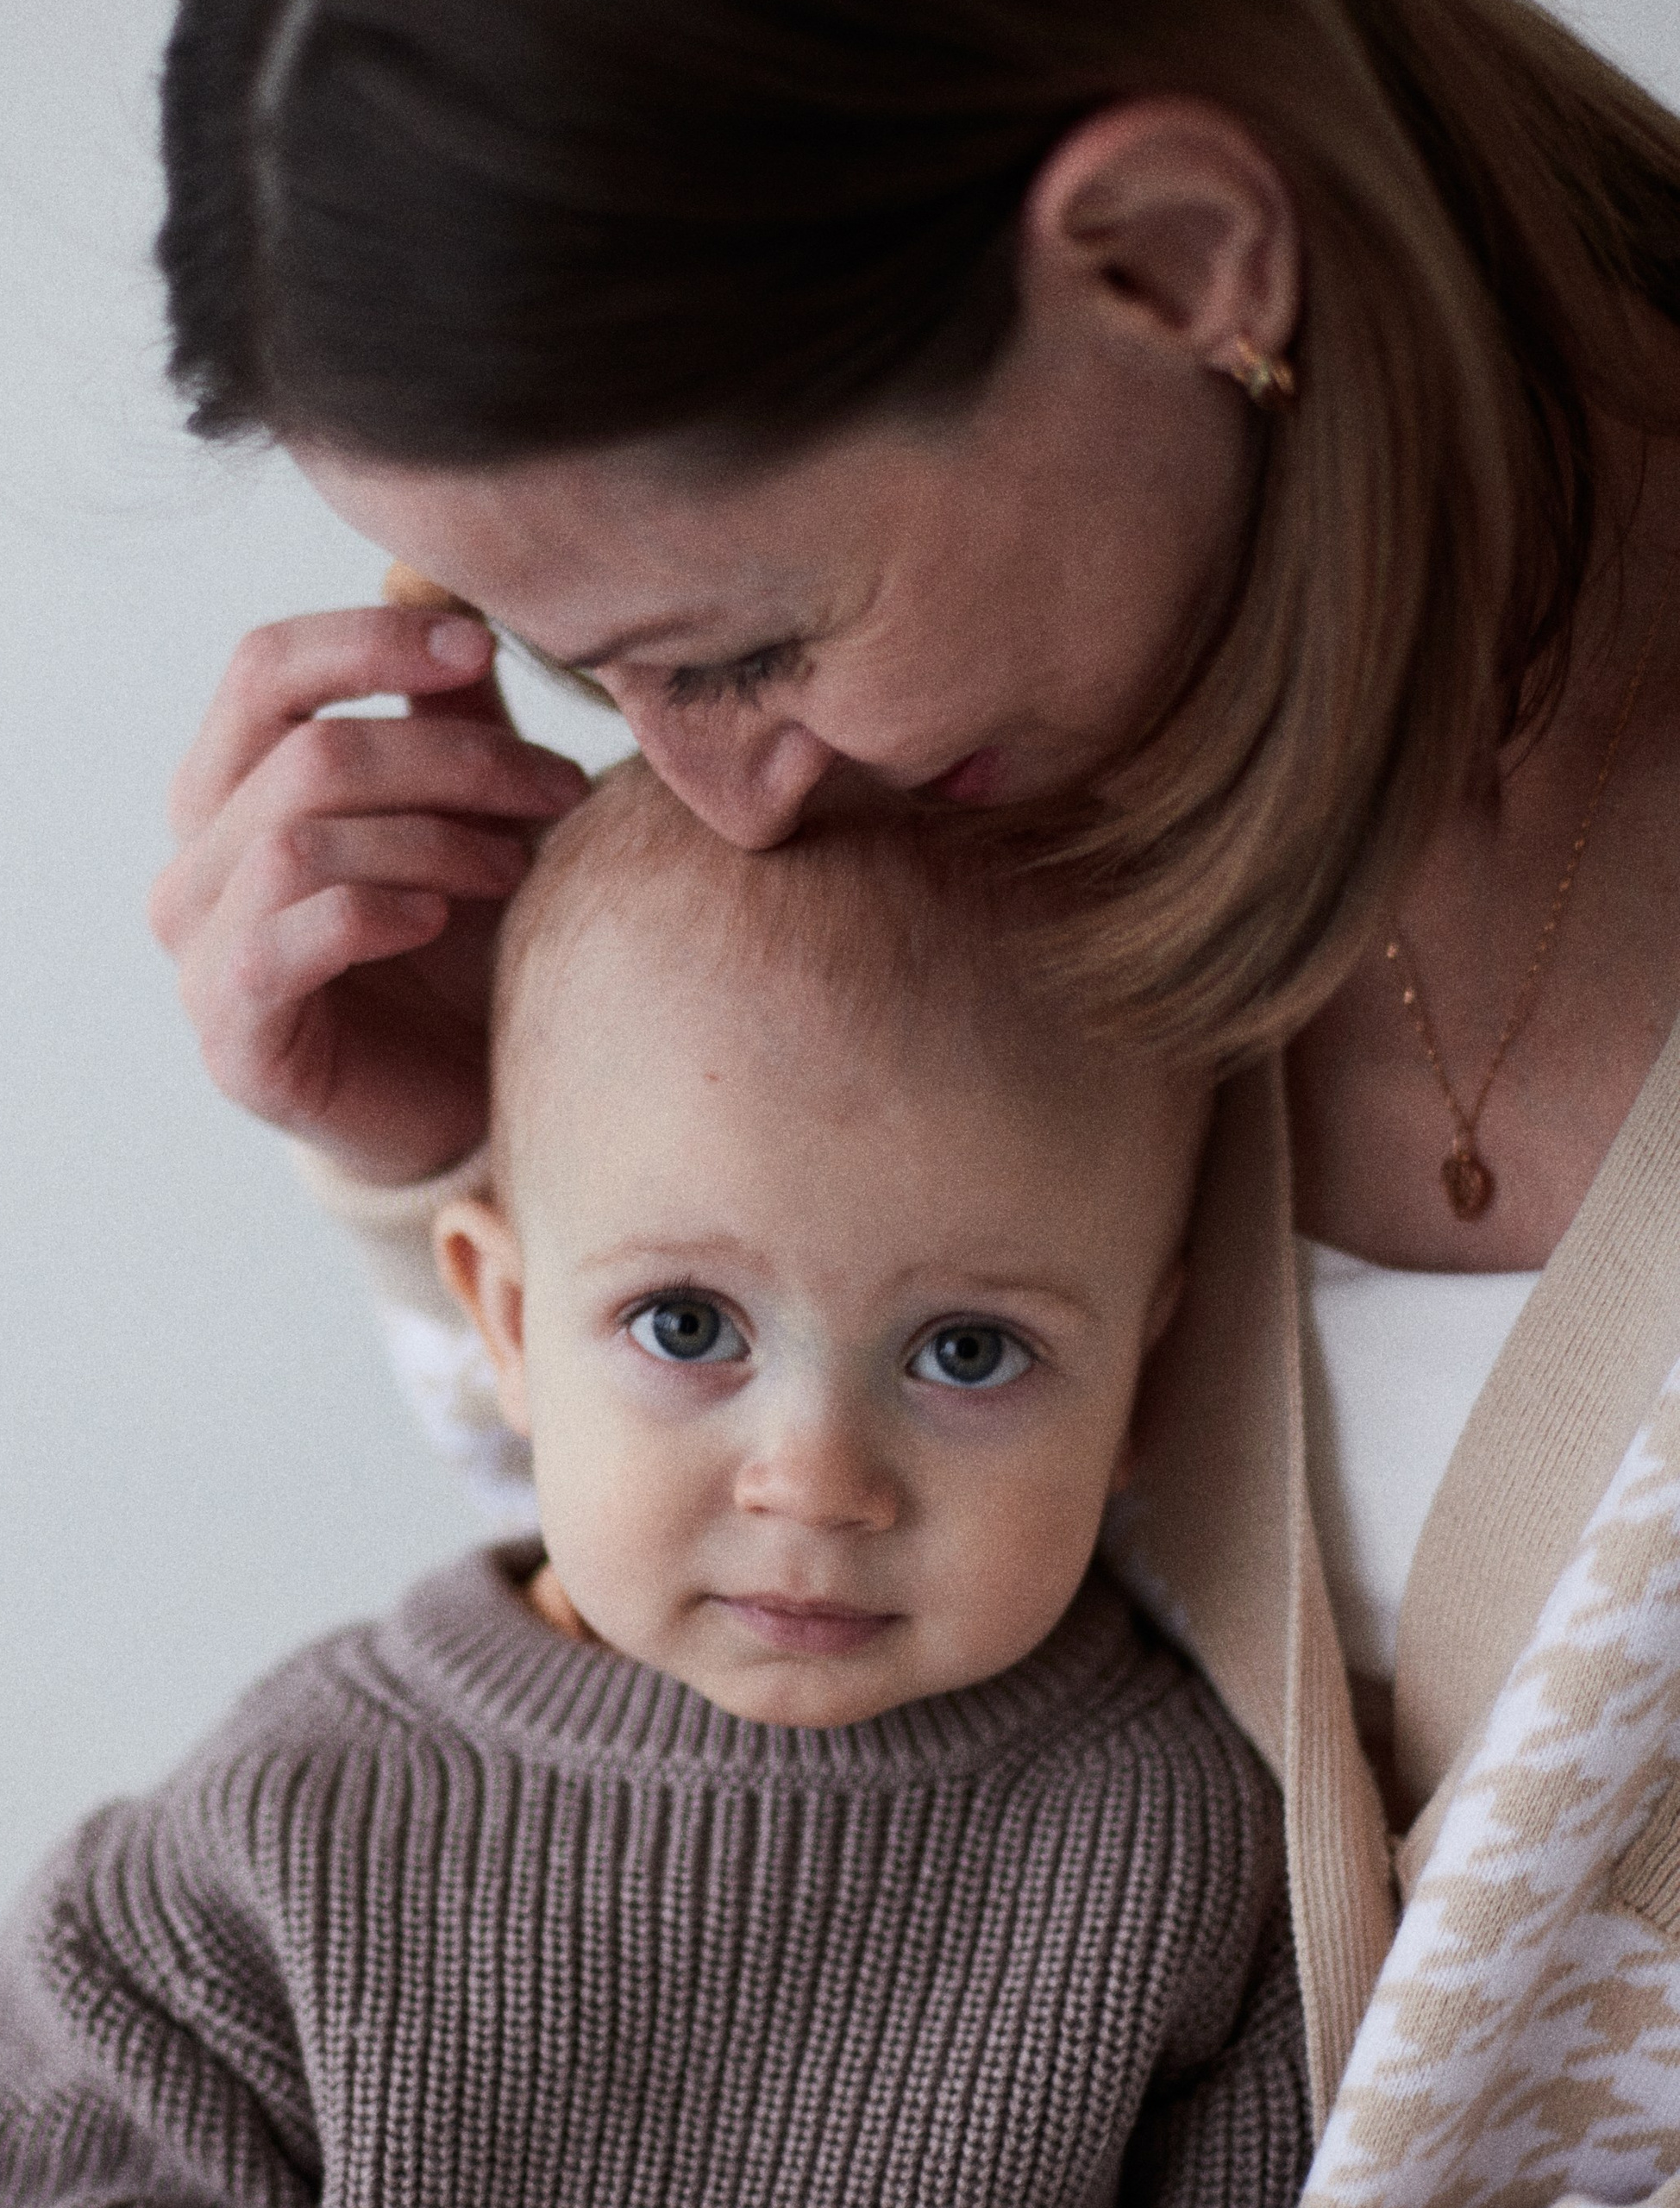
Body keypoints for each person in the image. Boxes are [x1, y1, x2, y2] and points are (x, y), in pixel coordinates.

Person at [143, 3, 1680, 2202]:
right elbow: (759, 1679)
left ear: (1168, 259)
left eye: (737, 650)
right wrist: (454, 1145)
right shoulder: (973, 847)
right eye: (588, 672)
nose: (712, 797)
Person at [0, 762, 1310, 2205]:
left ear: (1148, 1378)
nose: (816, 1483)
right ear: (502, 1321)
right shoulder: (297, 1822)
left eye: (971, 1351)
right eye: (688, 1325)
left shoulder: (1188, 1856)